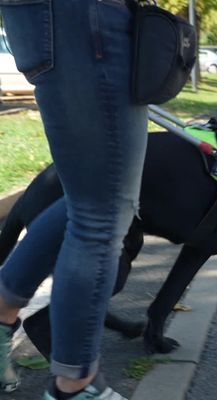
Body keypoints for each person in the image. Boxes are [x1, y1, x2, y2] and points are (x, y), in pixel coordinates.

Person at [0, 1, 147, 399]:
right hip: (83, 19)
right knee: (102, 211)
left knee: (93, 198)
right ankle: (76, 386)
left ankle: (1, 312)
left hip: (66, 19)